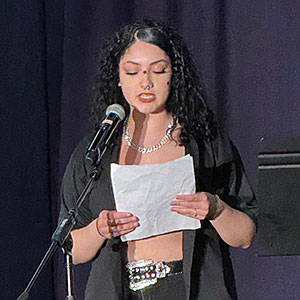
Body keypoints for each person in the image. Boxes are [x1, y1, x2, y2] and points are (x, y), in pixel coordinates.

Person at [59, 20, 257, 300]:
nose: (145, 82)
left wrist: (216, 208)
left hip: (192, 288)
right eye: (132, 71)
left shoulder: (206, 142)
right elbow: (72, 251)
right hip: (121, 290)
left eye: (158, 70)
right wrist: (99, 229)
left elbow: (246, 235)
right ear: (117, 76)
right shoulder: (95, 152)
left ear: (173, 75)